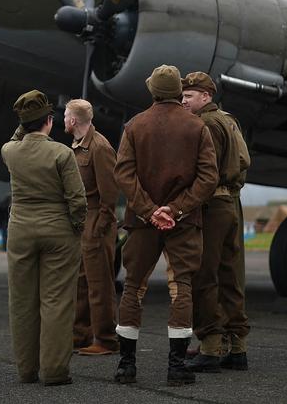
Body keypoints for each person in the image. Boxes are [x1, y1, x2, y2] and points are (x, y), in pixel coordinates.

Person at [111, 65, 218, 386]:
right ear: (177, 91)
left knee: (133, 287)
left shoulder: (134, 126)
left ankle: (126, 366)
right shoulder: (197, 127)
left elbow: (123, 174)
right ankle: (176, 367)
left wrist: (149, 210)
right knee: (181, 287)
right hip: (183, 224)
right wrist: (176, 208)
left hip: (142, 224)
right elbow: (208, 177)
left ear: (153, 91)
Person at [2, 90, 86, 385]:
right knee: (57, 301)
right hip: (58, 230)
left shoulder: (9, 151)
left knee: (22, 301)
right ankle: (54, 371)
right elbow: (77, 199)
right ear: (49, 121)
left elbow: (16, 139)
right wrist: (76, 227)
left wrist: (25, 122)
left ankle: (27, 370)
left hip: (21, 230)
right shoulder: (61, 153)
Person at [181, 71, 253, 372]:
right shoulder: (229, 120)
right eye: (183, 96)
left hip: (212, 203)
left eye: (189, 96)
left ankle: (211, 348)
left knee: (204, 275)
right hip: (232, 201)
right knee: (231, 275)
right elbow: (244, 162)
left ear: (206, 97)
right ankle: (237, 347)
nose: (183, 101)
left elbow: (204, 172)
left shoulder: (206, 124)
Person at [63, 98, 120, 357]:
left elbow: (110, 193)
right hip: (82, 221)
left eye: (65, 116)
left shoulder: (99, 147)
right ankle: (80, 334)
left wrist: (100, 227)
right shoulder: (76, 147)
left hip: (97, 220)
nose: (63, 120)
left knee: (100, 284)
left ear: (73, 120)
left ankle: (106, 339)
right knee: (81, 282)